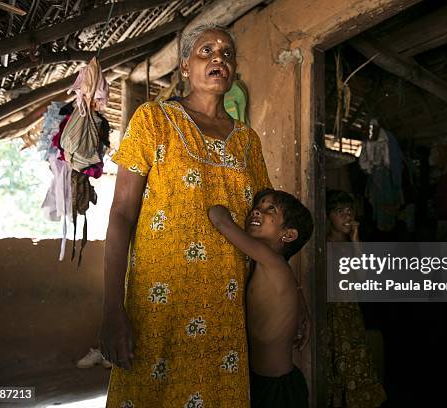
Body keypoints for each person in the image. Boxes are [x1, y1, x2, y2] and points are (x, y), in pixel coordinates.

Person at [99, 23, 270, 407]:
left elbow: (264, 230)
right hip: (158, 309)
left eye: (226, 53)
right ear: (185, 68)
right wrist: (112, 308)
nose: (218, 59)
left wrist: (288, 294)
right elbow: (122, 214)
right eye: (205, 51)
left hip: (227, 310)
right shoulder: (152, 121)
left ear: (234, 70)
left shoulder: (247, 141)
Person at [208, 188, 313, 408]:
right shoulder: (276, 267)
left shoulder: (270, 261)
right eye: (258, 206)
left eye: (270, 209)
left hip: (276, 390)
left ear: (288, 234)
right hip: (270, 382)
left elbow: (219, 219)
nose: (256, 211)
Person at [326, 191, 386, 407]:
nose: (346, 216)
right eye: (339, 212)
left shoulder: (353, 246)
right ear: (328, 217)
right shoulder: (323, 246)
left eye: (349, 211)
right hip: (330, 315)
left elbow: (363, 280)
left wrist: (356, 241)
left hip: (350, 315)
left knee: (355, 365)